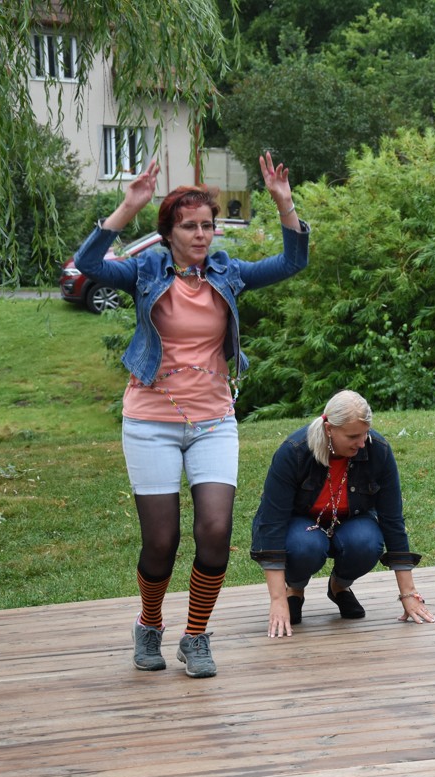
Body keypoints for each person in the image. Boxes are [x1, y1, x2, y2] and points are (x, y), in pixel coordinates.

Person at [73, 153, 309, 677]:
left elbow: (293, 262)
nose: (202, 234)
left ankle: (196, 634)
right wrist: (128, 206)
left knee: (216, 530)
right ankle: (149, 623)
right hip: (150, 420)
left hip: (213, 421)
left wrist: (284, 204)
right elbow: (88, 264)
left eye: (208, 225)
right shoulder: (144, 271)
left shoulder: (229, 273)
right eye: (190, 226)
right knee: (161, 541)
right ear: (169, 233)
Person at [250, 390, 435, 637]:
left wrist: (408, 594)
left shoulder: (378, 450)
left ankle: (339, 587)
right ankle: (294, 590)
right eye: (353, 436)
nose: (362, 443)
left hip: (350, 521)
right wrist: (277, 599)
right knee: (304, 546)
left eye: (366, 433)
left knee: (367, 541)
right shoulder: (294, 452)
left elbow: (392, 520)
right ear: (329, 429)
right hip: (300, 525)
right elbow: (272, 524)